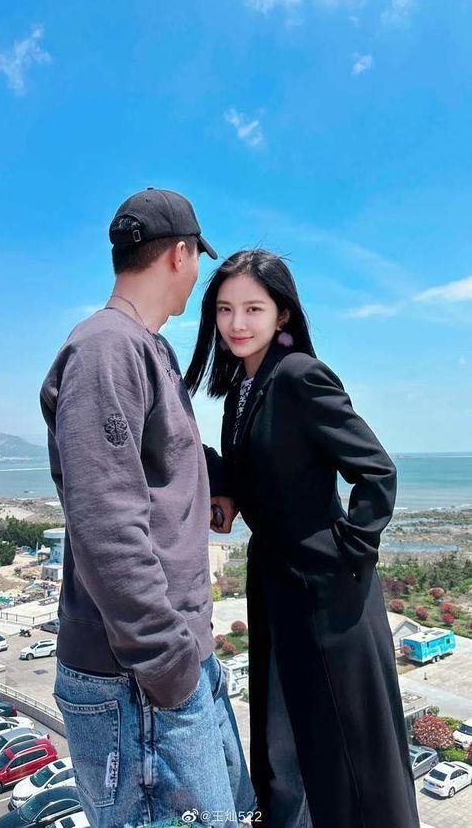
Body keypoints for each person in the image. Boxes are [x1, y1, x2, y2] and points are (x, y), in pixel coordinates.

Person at [40, 189, 255, 828]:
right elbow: (106, 523)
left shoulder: (147, 348)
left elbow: (165, 450)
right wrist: (169, 666)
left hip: (169, 663)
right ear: (180, 255)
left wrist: (219, 480)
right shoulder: (105, 348)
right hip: (138, 676)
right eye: (197, 262)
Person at [185, 249, 420, 828]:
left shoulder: (299, 376)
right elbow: (259, 468)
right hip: (276, 589)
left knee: (351, 759)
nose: (237, 323)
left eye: (253, 309)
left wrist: (347, 556)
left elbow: (376, 471)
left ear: (282, 314)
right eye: (224, 310)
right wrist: (221, 484)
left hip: (328, 596)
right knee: (284, 749)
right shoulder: (241, 391)